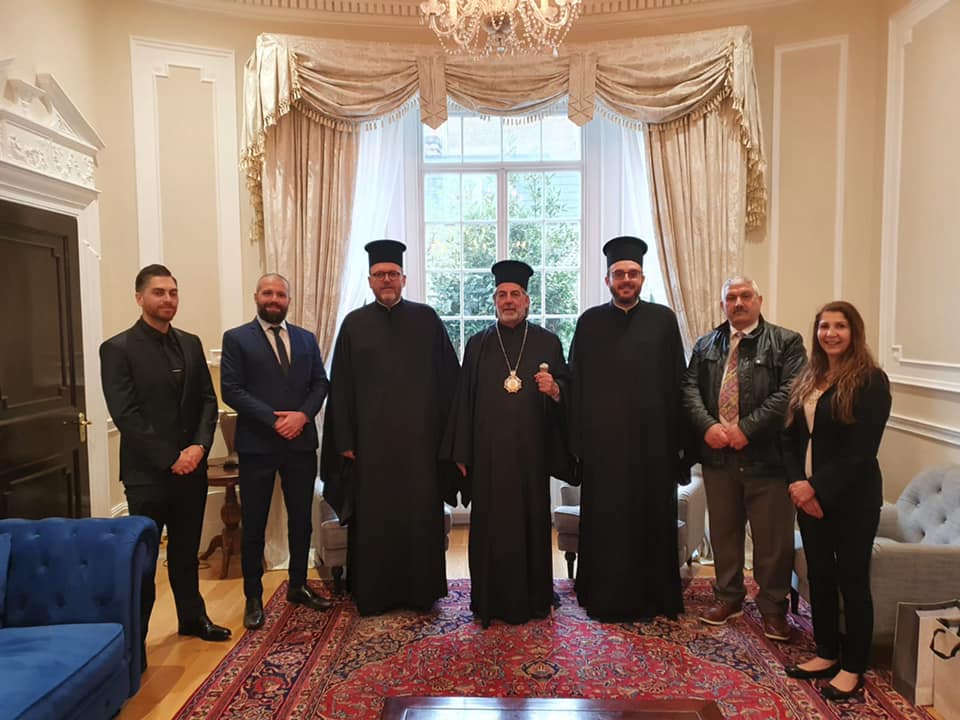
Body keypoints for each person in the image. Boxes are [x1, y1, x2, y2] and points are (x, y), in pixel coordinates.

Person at [320, 239, 460, 615]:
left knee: (418, 519)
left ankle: (421, 593)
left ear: (404, 279)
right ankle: (375, 594)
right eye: (380, 274)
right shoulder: (353, 325)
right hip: (371, 449)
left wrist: (449, 441)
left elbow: (450, 382)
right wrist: (344, 440)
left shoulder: (427, 320)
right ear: (369, 280)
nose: (387, 280)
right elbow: (341, 387)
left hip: (421, 447)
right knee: (375, 522)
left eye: (393, 274)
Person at [100, 264, 231, 657]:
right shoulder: (117, 349)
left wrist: (199, 448)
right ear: (139, 297)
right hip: (147, 475)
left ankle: (192, 618)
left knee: (186, 552)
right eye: (159, 292)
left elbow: (207, 402)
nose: (168, 299)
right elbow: (126, 415)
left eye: (173, 292)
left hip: (192, 468)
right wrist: (170, 457)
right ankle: (136, 641)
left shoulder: (190, 343)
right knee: (143, 560)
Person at [442, 260, 571, 626]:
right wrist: (462, 452)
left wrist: (556, 390)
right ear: (495, 301)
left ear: (527, 301)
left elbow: (569, 390)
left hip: (531, 454)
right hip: (488, 457)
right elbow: (463, 400)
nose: (509, 300)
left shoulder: (547, 341)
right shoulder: (478, 343)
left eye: (515, 294)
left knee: (531, 524)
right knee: (490, 528)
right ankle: (489, 600)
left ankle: (534, 599)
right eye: (502, 295)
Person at [567, 236, 686, 621]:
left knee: (650, 520)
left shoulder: (663, 321)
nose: (626, 280)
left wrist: (678, 444)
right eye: (619, 274)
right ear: (608, 280)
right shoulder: (589, 323)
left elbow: (678, 382)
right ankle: (603, 596)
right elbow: (575, 383)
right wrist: (579, 444)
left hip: (653, 447)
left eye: (633, 273)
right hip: (604, 449)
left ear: (642, 278)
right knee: (608, 523)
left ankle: (654, 597)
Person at [681, 277, 806, 642]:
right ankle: (728, 597)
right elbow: (689, 389)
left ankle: (772, 608)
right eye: (731, 297)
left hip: (768, 460)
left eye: (745, 296)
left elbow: (791, 391)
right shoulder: (706, 344)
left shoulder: (787, 342)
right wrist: (707, 426)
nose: (738, 303)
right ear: (723, 305)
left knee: (772, 541)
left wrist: (746, 429)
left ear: (759, 300)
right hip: (718, 459)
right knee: (724, 534)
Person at [782, 301, 891, 701]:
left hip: (852, 500)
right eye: (824, 326)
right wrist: (797, 484)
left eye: (840, 326)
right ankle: (826, 652)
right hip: (807, 496)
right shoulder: (809, 377)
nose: (830, 333)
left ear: (854, 332)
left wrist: (816, 488)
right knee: (820, 577)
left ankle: (853, 666)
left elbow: (861, 451)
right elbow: (788, 437)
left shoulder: (871, 381)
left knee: (852, 581)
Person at [220, 273, 332, 630]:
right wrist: (273, 420)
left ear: (288, 300)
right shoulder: (237, 338)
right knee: (255, 523)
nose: (274, 299)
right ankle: (253, 597)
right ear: (256, 297)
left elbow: (320, 383)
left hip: (300, 443)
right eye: (267, 293)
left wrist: (302, 416)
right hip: (258, 446)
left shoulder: (305, 338)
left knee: (301, 520)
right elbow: (231, 390)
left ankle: (298, 585)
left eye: (280, 294)